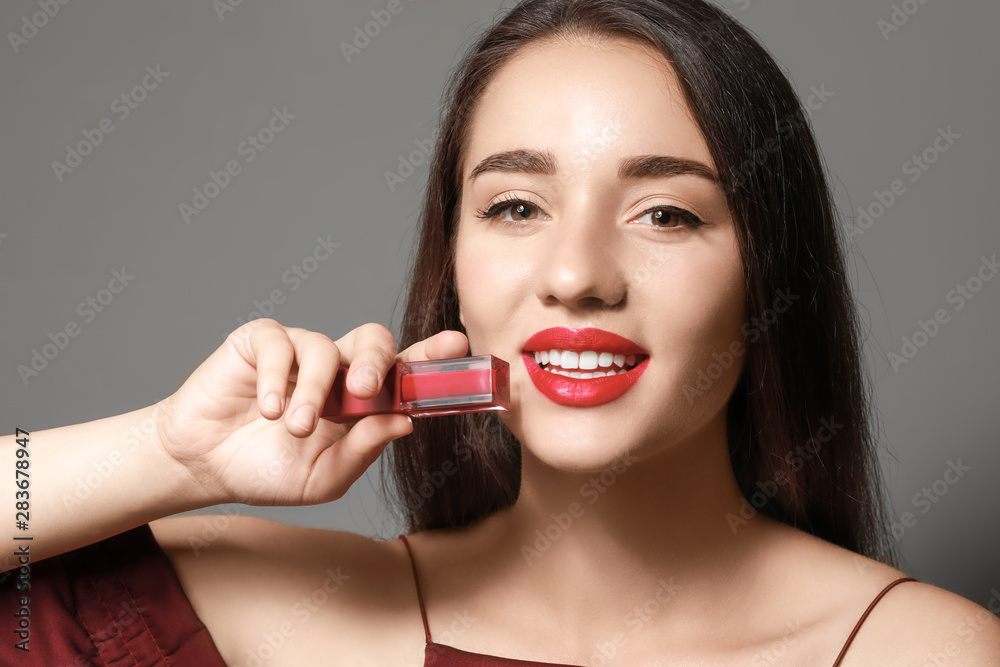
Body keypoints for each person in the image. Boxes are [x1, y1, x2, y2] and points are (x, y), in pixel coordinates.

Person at [3, 0, 999, 665]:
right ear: (455, 268)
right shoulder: (281, 622)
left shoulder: (919, 650)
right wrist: (174, 454)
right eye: (516, 207)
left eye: (666, 214)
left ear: (765, 277)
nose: (574, 276)